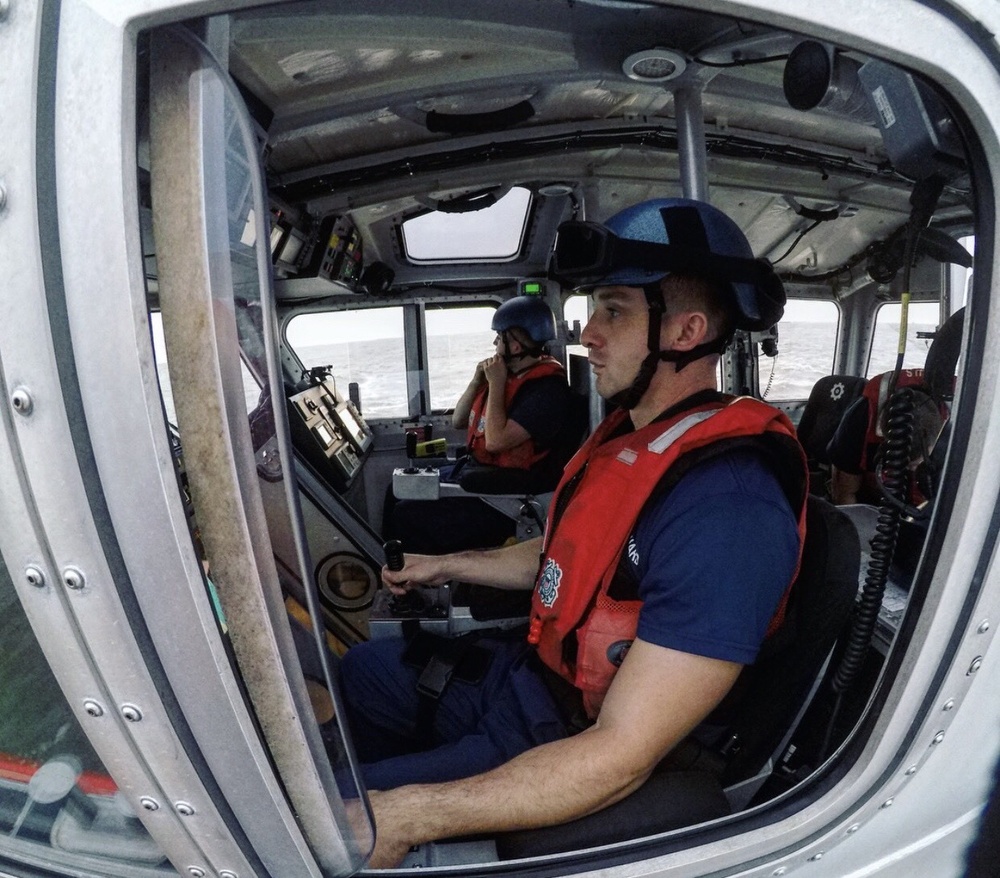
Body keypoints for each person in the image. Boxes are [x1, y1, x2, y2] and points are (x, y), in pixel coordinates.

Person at [341, 198, 808, 867]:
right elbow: (575, 557)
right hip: (525, 678)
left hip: (563, 736)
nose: (588, 334)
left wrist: (406, 813)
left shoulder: (727, 510)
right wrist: (447, 565)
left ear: (685, 331)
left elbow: (619, 757)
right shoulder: (631, 438)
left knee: (312, 820)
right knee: (362, 671)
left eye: (614, 310)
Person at [384, 297, 574, 554]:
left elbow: (495, 442)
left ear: (516, 345)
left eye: (499, 337)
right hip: (479, 472)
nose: (495, 344)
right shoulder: (511, 378)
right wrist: (477, 382)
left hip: (507, 501)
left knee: (405, 513)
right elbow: (459, 421)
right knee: (394, 490)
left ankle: (414, 582)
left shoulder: (547, 392)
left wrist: (496, 383)